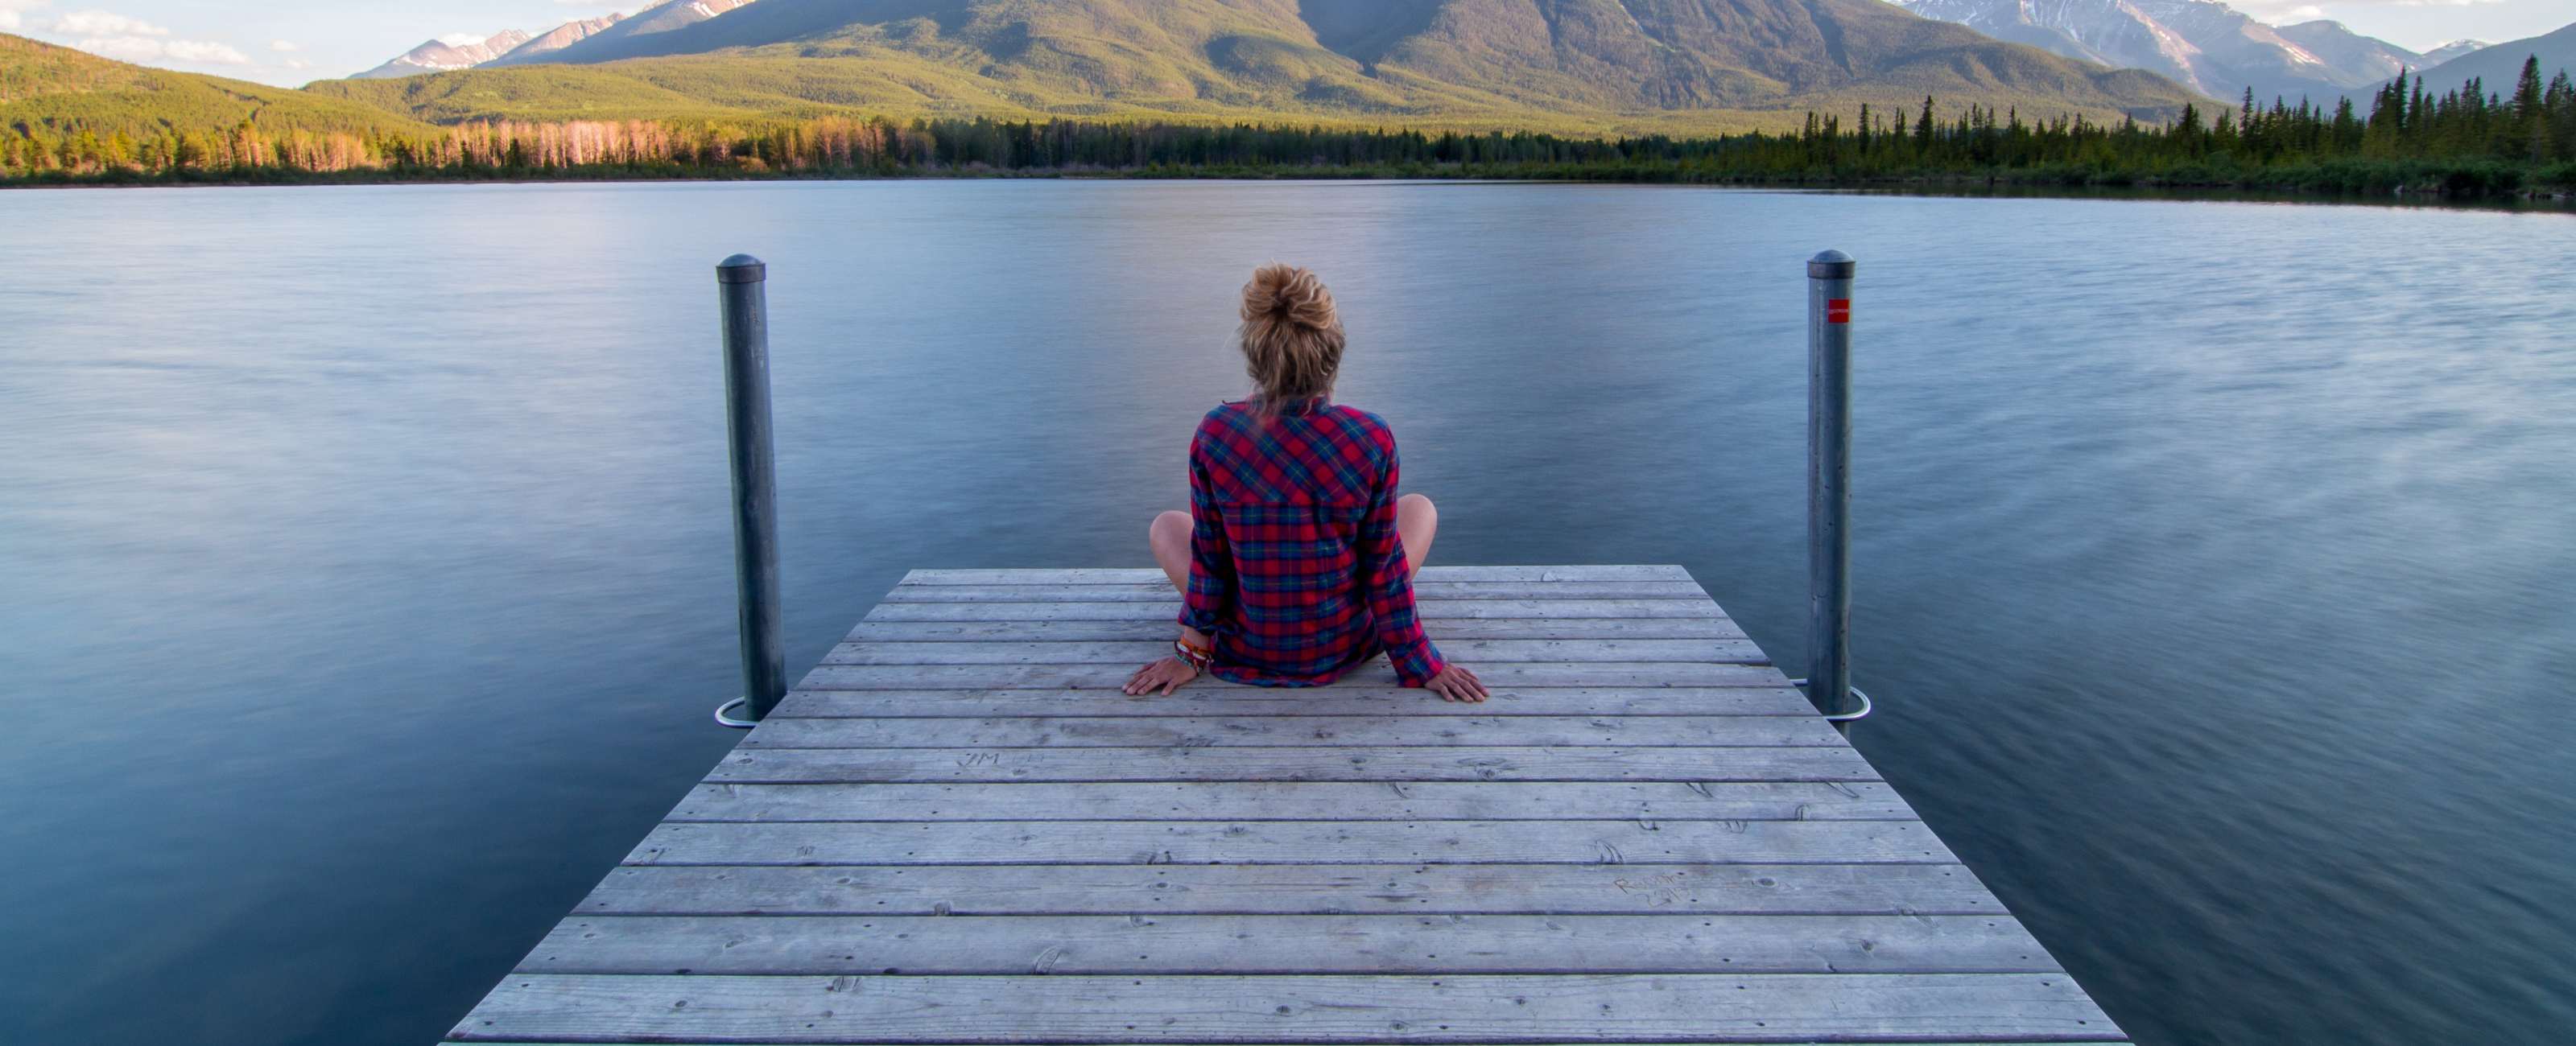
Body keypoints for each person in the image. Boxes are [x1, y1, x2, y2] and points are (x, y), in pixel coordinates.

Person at [1124, 264, 1489, 703]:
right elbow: (1383, 567)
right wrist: (1420, 662)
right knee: (1420, 509)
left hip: (1246, 643)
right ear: (1333, 351)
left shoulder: (1216, 433)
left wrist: (1190, 653)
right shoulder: (1370, 437)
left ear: (1255, 355)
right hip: (1340, 645)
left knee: (1168, 525)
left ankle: (1218, 637)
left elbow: (1210, 557)